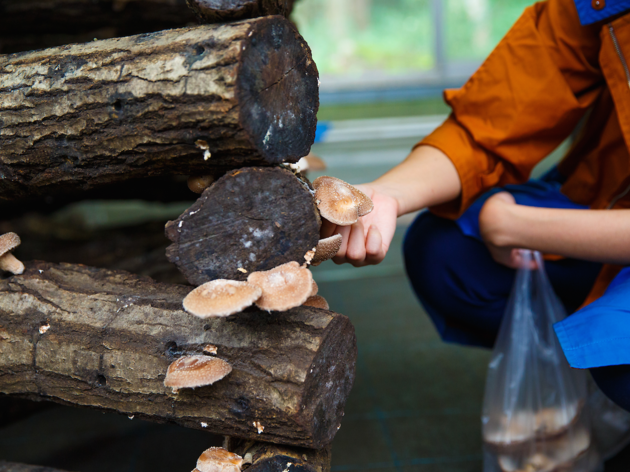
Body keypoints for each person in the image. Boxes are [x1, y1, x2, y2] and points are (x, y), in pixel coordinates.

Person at [321, 0, 630, 412]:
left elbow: (507, 223)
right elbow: (488, 126)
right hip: (607, 198)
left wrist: (508, 223)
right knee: (445, 253)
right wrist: (386, 194)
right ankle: (575, 385)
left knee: (620, 358)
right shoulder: (601, 6)